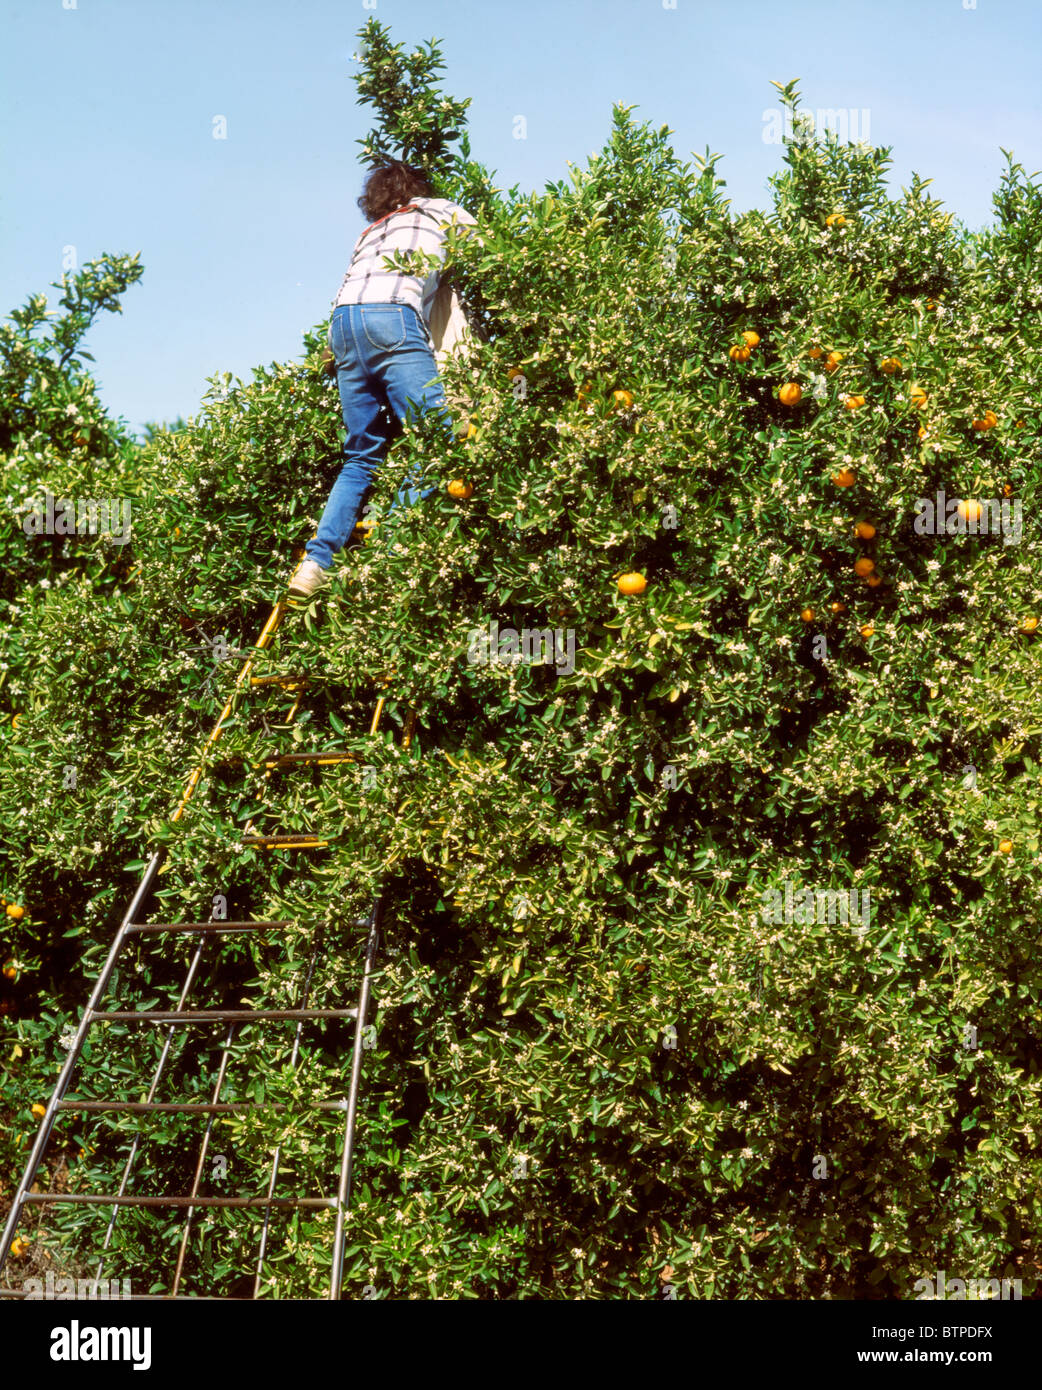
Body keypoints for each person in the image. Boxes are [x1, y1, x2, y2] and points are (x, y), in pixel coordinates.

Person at [288, 160, 479, 599]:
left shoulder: (369, 232)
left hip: (342, 329)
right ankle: (387, 550)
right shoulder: (441, 210)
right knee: (439, 439)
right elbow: (499, 258)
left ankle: (316, 562)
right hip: (392, 316)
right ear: (419, 188)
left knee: (360, 456)